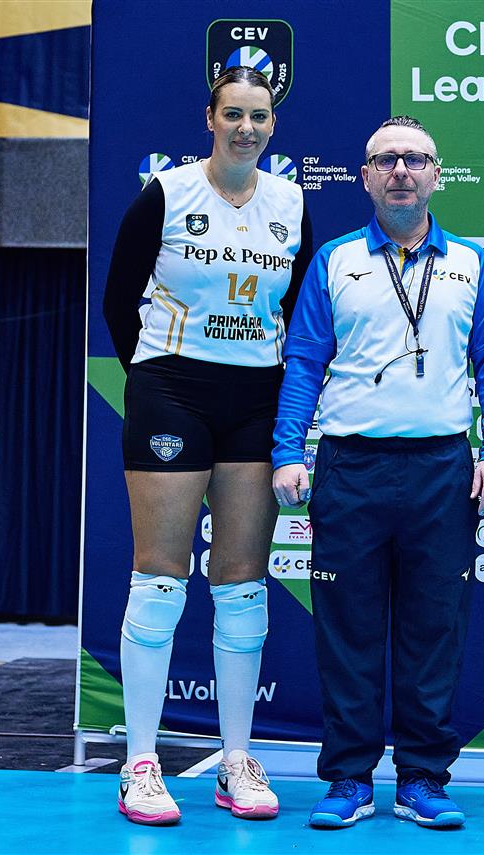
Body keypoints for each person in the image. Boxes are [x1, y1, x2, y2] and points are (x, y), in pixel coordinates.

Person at [271, 115, 484, 830]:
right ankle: (349, 778)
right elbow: (305, 361)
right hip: (351, 468)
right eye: (386, 160)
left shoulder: (471, 263)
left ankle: (422, 778)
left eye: (415, 159)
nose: (401, 171)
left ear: (437, 173)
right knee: (347, 630)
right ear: (366, 177)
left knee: (434, 629)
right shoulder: (334, 260)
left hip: (442, 469)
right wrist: (287, 451)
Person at [101, 65, 311, 825]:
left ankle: (236, 758)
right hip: (173, 389)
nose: (246, 128)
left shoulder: (291, 201)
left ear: (273, 125)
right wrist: (157, 379)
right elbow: (118, 300)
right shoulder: (167, 192)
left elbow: (296, 307)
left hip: (256, 397)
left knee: (242, 581)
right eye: (233, 114)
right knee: (160, 576)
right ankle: (141, 763)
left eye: (259, 116)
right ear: (210, 118)